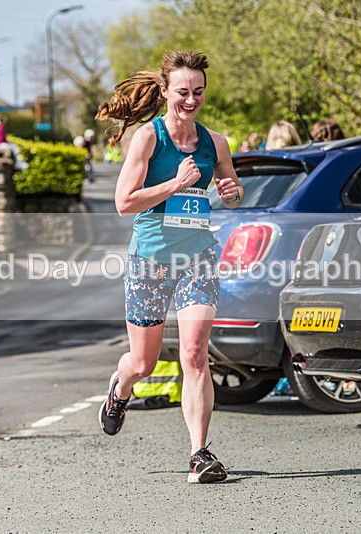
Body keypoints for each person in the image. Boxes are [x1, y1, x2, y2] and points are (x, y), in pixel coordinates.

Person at [95, 51, 244, 484]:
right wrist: (175, 183)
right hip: (151, 259)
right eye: (182, 92)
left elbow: (233, 192)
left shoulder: (215, 142)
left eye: (198, 91)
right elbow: (124, 202)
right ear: (165, 92)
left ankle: (199, 454)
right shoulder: (148, 138)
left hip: (198, 257)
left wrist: (231, 192)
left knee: (195, 354)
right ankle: (121, 387)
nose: (191, 100)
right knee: (143, 363)